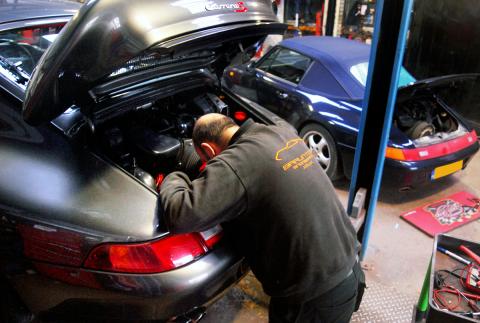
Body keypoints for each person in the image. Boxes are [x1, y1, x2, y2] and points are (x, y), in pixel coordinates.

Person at [160, 113, 364, 323]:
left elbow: (179, 214)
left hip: (314, 299)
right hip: (348, 268)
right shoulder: (280, 131)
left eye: (205, 160)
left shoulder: (237, 162)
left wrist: (173, 175)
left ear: (209, 150)